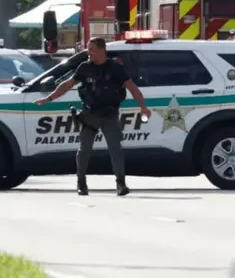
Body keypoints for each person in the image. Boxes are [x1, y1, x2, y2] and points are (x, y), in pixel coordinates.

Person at [33, 37, 151, 196]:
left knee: (116, 149)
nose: (89, 53)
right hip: (90, 114)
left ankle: (121, 184)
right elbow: (67, 84)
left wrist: (143, 108)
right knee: (84, 150)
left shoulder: (115, 68)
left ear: (103, 51)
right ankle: (81, 183)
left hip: (109, 114)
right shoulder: (85, 67)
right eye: (88, 49)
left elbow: (132, 88)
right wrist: (49, 99)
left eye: (92, 50)